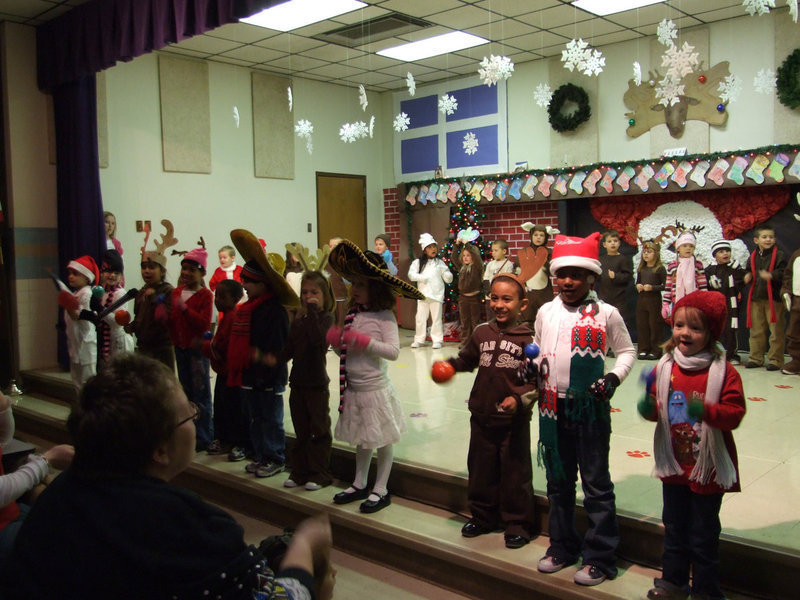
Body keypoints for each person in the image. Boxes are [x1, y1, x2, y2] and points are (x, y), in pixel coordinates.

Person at [0, 353, 334, 599]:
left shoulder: (57, 500)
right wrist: (303, 548)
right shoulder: (190, 528)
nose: (194, 416)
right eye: (188, 411)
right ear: (160, 450)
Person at [530, 232, 635, 586]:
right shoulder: (546, 311)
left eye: (577, 274)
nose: (568, 281)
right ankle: (562, 545)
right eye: (562, 274)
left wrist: (613, 378)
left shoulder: (607, 313)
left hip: (588, 411)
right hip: (551, 409)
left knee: (595, 484)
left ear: (592, 277)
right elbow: (537, 346)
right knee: (558, 483)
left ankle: (600, 556)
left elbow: (627, 352)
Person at [638, 290, 745, 600]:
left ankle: (706, 591)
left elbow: (734, 414)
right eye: (679, 325)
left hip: (706, 470)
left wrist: (708, 411)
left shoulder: (725, 372)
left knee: (702, 534)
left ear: (711, 333)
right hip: (674, 464)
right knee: (673, 527)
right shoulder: (665, 367)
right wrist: (647, 408)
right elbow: (656, 411)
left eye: (695, 328)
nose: (685, 333)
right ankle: (673, 582)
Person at [326, 240, 425, 513]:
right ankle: (359, 482)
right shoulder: (353, 314)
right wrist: (337, 342)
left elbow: (393, 352)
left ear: (375, 288)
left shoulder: (384, 317)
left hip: (375, 391)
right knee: (362, 438)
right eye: (353, 284)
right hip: (355, 390)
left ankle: (380, 487)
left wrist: (364, 341)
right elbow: (346, 350)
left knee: (381, 439)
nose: (354, 289)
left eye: (360, 285)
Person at [441, 273, 536, 549]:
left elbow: (535, 381)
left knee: (515, 472)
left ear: (523, 304)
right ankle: (483, 516)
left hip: (513, 421)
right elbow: (467, 359)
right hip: (481, 416)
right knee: (480, 468)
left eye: (507, 299)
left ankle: (517, 523)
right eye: (494, 298)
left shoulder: (528, 339)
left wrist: (518, 400)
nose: (499, 304)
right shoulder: (482, 332)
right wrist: (450, 366)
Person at [229, 229, 298, 479]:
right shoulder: (249, 309)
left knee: (270, 419)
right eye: (243, 280)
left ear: (263, 284)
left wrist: (263, 362)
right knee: (256, 418)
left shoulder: (275, 311)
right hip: (251, 375)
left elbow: (278, 348)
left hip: (269, 376)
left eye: (248, 281)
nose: (244, 286)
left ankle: (275, 457)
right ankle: (260, 455)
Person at [0, 392, 73, 565]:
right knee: (68, 540)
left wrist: (3, 405)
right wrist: (47, 460)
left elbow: (3, 438)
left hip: (8, 512)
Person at [279, 270, 335, 490]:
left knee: (319, 430)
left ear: (324, 295)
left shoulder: (325, 318)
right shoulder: (300, 319)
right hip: (298, 383)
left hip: (317, 384)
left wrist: (311, 311)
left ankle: (320, 473)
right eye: (304, 292)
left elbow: (316, 339)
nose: (308, 296)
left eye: (314, 292)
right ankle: (300, 470)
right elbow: (291, 348)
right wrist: (273, 358)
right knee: (301, 430)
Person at [169, 246, 214, 452]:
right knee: (185, 392)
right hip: (180, 348)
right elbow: (173, 321)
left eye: (191, 270)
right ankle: (188, 433)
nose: (186, 273)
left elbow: (203, 324)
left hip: (197, 352)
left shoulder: (205, 295)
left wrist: (184, 309)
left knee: (201, 393)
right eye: (183, 269)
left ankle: (204, 436)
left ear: (202, 273)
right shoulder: (177, 292)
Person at [202, 279, 250, 461]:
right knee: (221, 407)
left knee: (233, 409)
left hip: (233, 374)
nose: (217, 300)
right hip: (223, 373)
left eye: (223, 296)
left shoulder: (234, 317)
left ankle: (237, 442)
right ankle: (223, 439)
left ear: (236, 298)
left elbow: (225, 346)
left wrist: (207, 346)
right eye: (217, 296)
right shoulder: (226, 317)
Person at [127, 222, 178, 369]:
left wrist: (155, 298)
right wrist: (132, 326)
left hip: (161, 348)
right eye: (143, 267)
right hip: (143, 347)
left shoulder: (168, 291)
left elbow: (168, 319)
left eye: (151, 267)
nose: (147, 271)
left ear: (161, 271)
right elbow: (140, 317)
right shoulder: (142, 291)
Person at [744, 223, 787, 371]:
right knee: (756, 330)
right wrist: (748, 275)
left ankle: (776, 359)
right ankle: (756, 358)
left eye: (771, 237)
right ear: (756, 240)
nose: (768, 239)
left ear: (775, 240)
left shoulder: (779, 255)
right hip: (756, 298)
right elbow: (748, 269)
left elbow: (785, 273)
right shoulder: (753, 255)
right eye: (764, 237)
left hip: (773, 299)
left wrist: (772, 275)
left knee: (776, 332)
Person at [58, 255, 100, 393]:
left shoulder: (87, 293)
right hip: (76, 342)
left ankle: (91, 410)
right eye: (69, 273)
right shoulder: (76, 293)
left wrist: (67, 303)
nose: (71, 276)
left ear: (87, 278)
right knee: (77, 380)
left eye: (75, 274)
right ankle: (81, 408)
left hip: (86, 343)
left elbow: (78, 316)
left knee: (87, 380)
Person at [408, 233, 453, 349]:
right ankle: (419, 339)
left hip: (436, 295)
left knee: (436, 318)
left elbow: (446, 274)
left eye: (434, 246)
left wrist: (448, 275)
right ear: (424, 250)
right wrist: (421, 278)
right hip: (422, 295)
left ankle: (437, 339)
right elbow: (411, 275)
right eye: (429, 247)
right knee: (420, 318)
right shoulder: (418, 263)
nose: (433, 249)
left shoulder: (440, 263)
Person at [705, 239, 746, 365]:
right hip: (716, 305)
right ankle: (714, 353)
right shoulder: (710, 270)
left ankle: (732, 355)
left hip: (731, 303)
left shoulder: (735, 267)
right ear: (715, 255)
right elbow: (706, 287)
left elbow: (741, 282)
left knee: (731, 329)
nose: (725, 254)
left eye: (727, 251)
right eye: (721, 252)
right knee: (714, 329)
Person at [96, 249, 134, 368]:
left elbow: (117, 322)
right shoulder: (102, 291)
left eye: (116, 272)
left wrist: (100, 310)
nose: (112, 275)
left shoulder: (120, 293)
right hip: (104, 340)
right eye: (108, 271)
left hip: (118, 342)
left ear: (121, 275)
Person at [663, 231, 707, 321]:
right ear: (678, 248)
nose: (688, 248)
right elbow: (668, 286)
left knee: (693, 323)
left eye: (691, 246)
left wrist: (704, 301)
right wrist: (666, 304)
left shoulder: (697, 264)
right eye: (685, 246)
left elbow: (703, 285)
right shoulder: (673, 265)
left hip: (695, 301)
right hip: (677, 301)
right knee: (678, 323)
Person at [518, 222, 555, 329]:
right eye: (535, 235)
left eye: (541, 235)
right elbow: (518, 270)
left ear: (546, 237)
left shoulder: (549, 252)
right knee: (528, 314)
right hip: (528, 290)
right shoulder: (525, 251)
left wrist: (543, 261)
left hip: (544, 291)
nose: (538, 237)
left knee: (546, 316)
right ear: (531, 235)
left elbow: (552, 270)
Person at [636, 240, 667, 360]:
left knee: (654, 325)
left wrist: (653, 287)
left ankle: (656, 350)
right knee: (642, 324)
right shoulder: (641, 269)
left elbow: (665, 285)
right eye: (644, 252)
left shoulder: (660, 269)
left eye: (649, 252)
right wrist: (638, 285)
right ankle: (644, 349)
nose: (646, 254)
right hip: (642, 300)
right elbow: (638, 281)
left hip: (654, 300)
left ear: (656, 254)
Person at [451, 239, 484, 347]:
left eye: (468, 255)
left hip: (474, 298)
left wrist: (467, 244)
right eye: (464, 255)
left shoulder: (476, 267)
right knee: (465, 322)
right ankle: (465, 342)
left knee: (475, 322)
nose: (465, 257)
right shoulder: (462, 268)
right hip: (463, 298)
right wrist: (457, 245)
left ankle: (476, 343)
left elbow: (477, 258)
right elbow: (454, 258)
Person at [597, 229, 633, 325]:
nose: (612, 243)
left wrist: (616, 276)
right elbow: (597, 277)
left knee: (619, 322)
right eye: (609, 241)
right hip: (603, 296)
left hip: (619, 298)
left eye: (615, 241)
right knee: (603, 321)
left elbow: (628, 276)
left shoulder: (623, 259)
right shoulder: (601, 259)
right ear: (604, 245)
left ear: (619, 243)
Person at [781, 242, 800, 375]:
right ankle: (797, 361)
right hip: (797, 300)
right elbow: (788, 275)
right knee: (794, 331)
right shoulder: (797, 254)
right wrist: (786, 292)